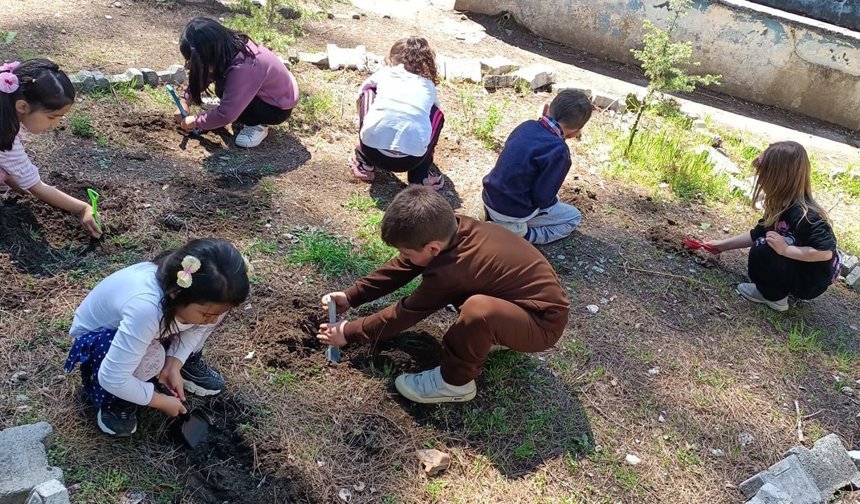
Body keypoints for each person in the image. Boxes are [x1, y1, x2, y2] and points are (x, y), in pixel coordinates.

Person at [317, 186, 569, 403]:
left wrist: (349, 332)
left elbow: (405, 313)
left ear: (433, 248)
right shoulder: (453, 229)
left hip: (542, 325)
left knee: (478, 310)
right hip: (520, 307)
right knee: (474, 305)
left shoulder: (453, 271)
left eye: (406, 253)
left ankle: (455, 383)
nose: (404, 258)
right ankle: (492, 332)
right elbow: (405, 266)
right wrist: (352, 295)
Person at [64, 238, 250, 436]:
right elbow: (112, 377)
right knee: (147, 360)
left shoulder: (205, 298)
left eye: (221, 312)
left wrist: (174, 362)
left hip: (149, 329)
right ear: (176, 294)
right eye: (206, 314)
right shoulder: (146, 309)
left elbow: (200, 327)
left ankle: (183, 363)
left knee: (200, 323)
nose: (212, 320)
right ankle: (116, 401)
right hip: (102, 340)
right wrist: (158, 400)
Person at [705, 141, 840, 312]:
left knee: (763, 247)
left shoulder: (805, 215)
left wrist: (786, 250)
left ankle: (773, 297)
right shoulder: (781, 206)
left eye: (764, 176)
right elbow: (759, 232)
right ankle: (783, 285)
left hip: (811, 281)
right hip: (801, 270)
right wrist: (721, 246)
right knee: (766, 240)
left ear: (779, 178)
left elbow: (825, 252)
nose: (760, 181)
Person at [0, 59, 101, 237]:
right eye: (52, 117)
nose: (55, 124)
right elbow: (36, 186)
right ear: (22, 106)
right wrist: (82, 208)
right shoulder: (3, 138)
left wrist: (15, 182)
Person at [481, 89, 593, 245]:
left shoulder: (526, 126)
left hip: (489, 196)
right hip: (512, 211)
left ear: (547, 109)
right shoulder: (559, 151)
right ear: (575, 132)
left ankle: (499, 220)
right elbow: (542, 197)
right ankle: (523, 234)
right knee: (573, 217)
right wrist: (551, 203)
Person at [175, 17, 299, 148]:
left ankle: (256, 125)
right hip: (265, 91)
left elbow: (226, 115)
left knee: (225, 92)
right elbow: (205, 74)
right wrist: (185, 100)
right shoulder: (226, 49)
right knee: (224, 85)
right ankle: (232, 105)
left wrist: (196, 121)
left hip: (276, 107)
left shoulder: (245, 68)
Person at [351, 36, 445, 190]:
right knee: (436, 113)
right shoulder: (428, 85)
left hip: (372, 150)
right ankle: (419, 177)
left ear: (392, 58)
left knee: (368, 92)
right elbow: (434, 113)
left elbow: (362, 91)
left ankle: (364, 163)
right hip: (411, 160)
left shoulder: (385, 73)